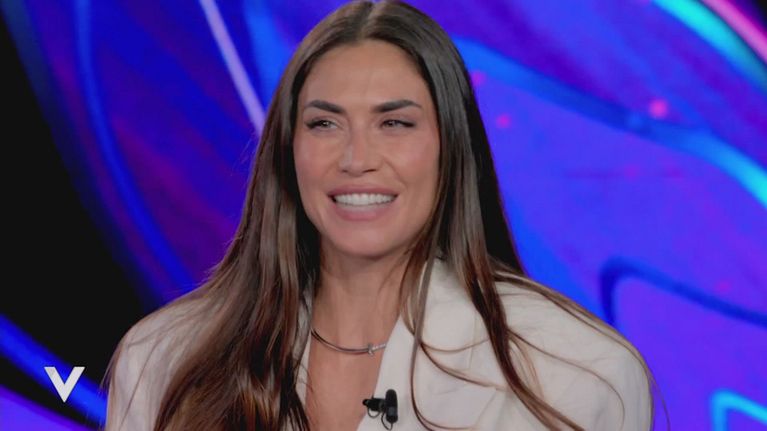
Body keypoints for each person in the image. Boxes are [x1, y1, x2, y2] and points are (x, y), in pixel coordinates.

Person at [103, 1, 657, 430]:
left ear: (451, 147)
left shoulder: (576, 372)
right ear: (288, 151)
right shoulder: (167, 358)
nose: (356, 159)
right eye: (325, 124)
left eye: (395, 123)